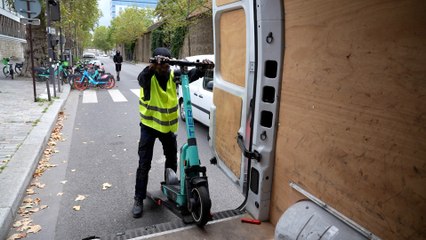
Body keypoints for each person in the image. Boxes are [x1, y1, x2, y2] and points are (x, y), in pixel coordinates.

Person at [132, 47, 211, 218]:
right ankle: (138, 198)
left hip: (167, 128)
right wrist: (153, 66)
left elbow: (190, 75)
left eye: (166, 64)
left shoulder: (172, 75)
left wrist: (202, 69)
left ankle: (171, 189)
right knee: (144, 164)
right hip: (149, 126)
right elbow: (141, 79)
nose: (164, 67)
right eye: (161, 63)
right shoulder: (148, 75)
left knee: (171, 160)